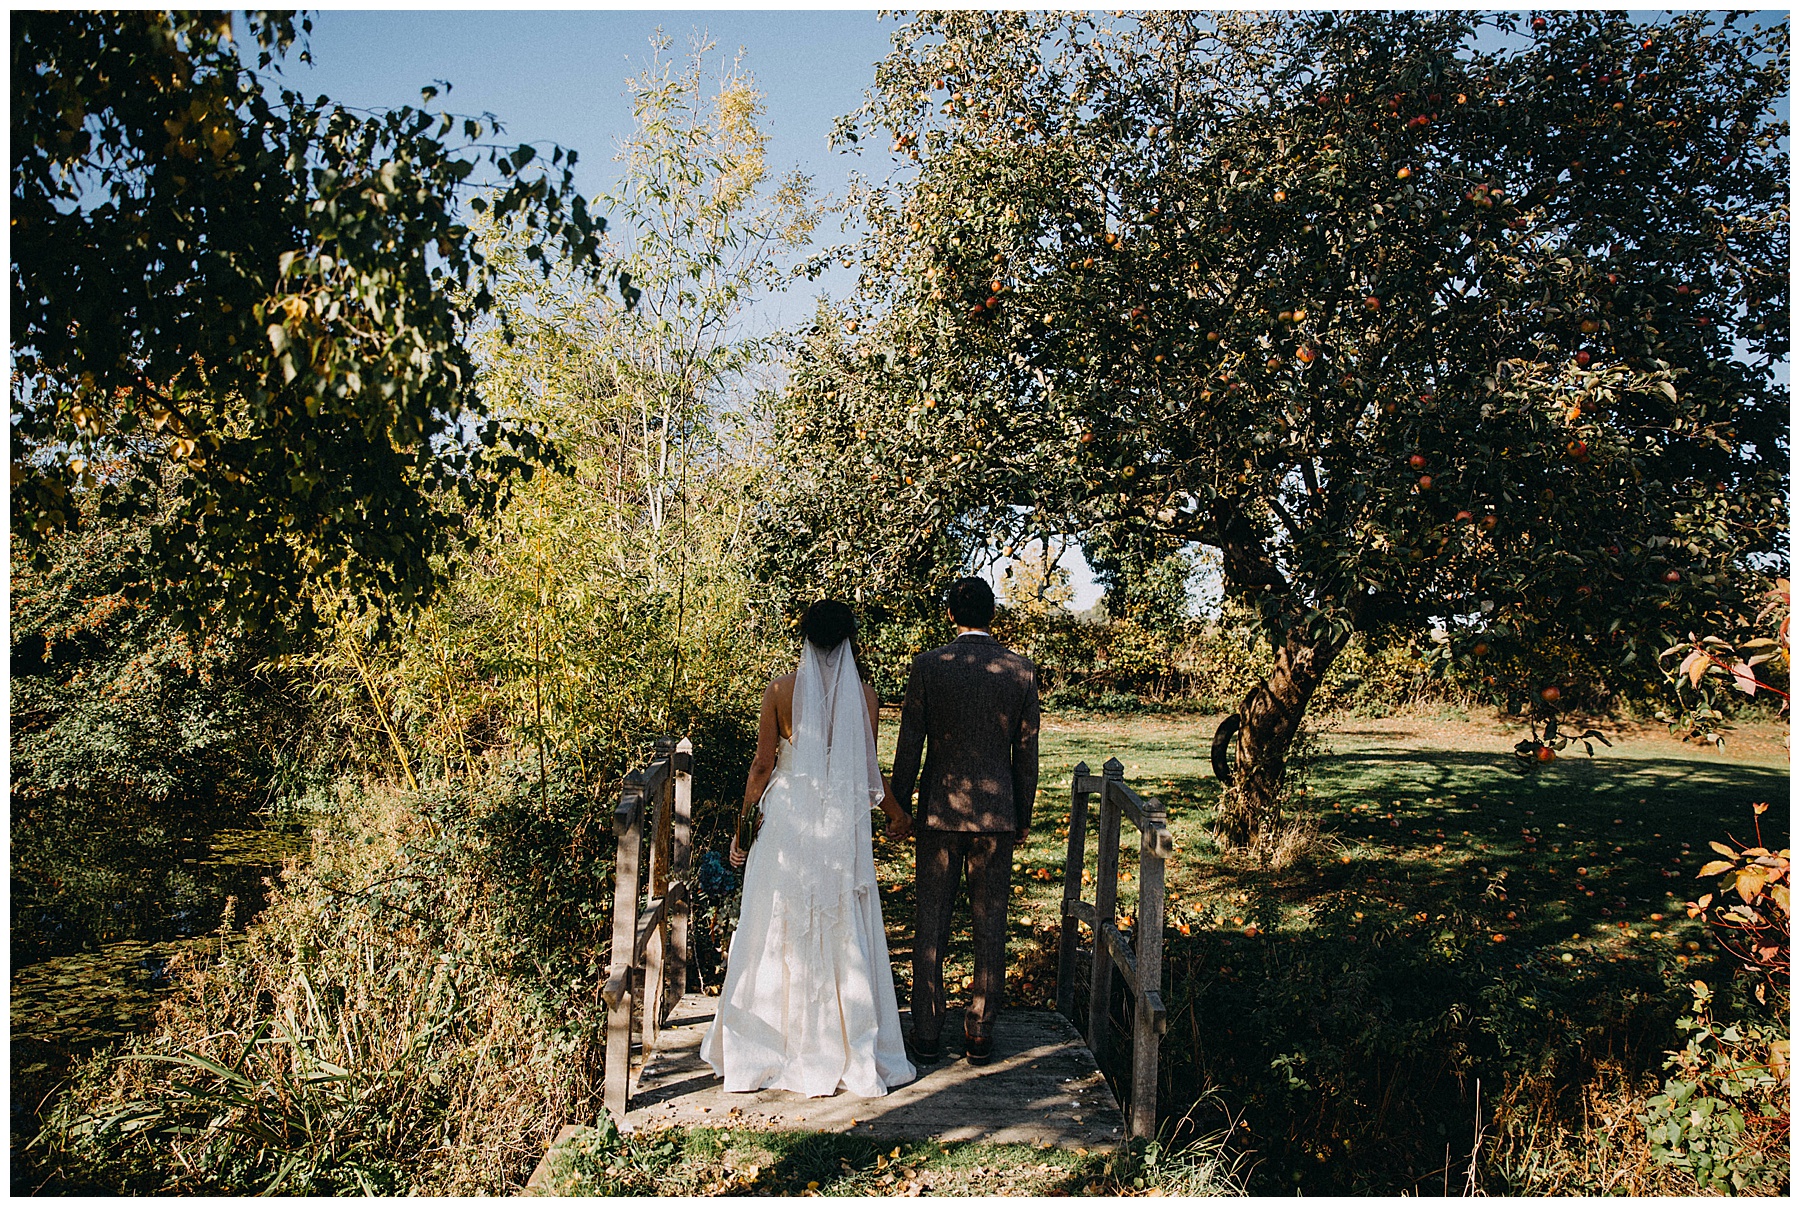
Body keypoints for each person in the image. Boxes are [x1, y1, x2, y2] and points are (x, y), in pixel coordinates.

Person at [699, 600, 916, 1097]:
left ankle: (770, 1042)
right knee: (840, 920)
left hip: (790, 819)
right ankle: (845, 1040)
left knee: (776, 919)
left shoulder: (779, 691)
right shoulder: (865, 695)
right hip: (840, 822)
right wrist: (896, 814)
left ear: (805, 637)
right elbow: (865, 769)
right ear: (848, 639)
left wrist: (741, 828)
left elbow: (761, 766)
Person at [890, 576, 1040, 1067]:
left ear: (951, 614)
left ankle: (927, 1032)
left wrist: (900, 806)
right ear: (991, 615)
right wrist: (1023, 810)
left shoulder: (929, 666)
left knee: (930, 921)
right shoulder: (1020, 670)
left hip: (938, 811)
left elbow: (910, 741)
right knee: (989, 922)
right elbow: (1027, 750)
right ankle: (979, 1032)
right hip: (996, 816)